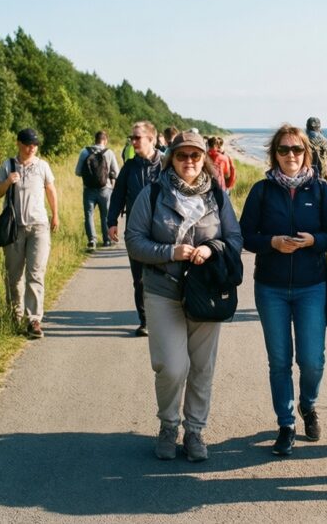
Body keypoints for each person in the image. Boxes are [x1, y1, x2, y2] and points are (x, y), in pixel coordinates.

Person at [125, 131, 242, 462]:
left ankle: (194, 431)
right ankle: (168, 425)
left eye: (195, 155)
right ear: (170, 158)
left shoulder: (217, 198)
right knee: (173, 367)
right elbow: (134, 241)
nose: (189, 161)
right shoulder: (152, 194)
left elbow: (234, 238)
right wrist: (170, 252)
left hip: (206, 292)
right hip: (164, 290)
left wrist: (210, 248)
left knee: (202, 366)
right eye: (182, 156)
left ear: (204, 158)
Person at [240, 124, 327, 456]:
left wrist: (314, 241)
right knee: (280, 360)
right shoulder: (262, 191)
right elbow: (245, 235)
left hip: (312, 286)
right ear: (275, 154)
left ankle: (308, 404)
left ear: (306, 153)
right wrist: (271, 242)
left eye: (296, 149)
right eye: (283, 150)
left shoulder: (321, 191)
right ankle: (285, 424)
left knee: (312, 360)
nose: (290, 156)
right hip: (270, 288)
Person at [0, 128, 59, 339]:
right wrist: (7, 181)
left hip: (38, 226)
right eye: (27, 144)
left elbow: (50, 190)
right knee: (14, 276)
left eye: (35, 145)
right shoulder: (8, 165)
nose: (31, 148)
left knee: (35, 273)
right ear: (18, 143)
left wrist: (55, 215)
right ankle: (16, 315)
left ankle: (34, 320)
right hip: (15, 229)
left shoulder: (42, 166)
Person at [108, 121, 164, 337]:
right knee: (139, 279)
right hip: (135, 231)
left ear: (151, 139)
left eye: (137, 138)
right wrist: (111, 221)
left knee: (165, 276)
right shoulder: (129, 167)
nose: (133, 141)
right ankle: (146, 321)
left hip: (163, 231)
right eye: (131, 138)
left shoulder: (167, 164)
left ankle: (167, 318)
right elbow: (118, 195)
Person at [74, 130, 119, 251]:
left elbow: (77, 172)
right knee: (105, 215)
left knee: (89, 215)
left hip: (88, 190)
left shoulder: (84, 152)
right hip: (105, 190)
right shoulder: (109, 152)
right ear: (105, 140)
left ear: (95, 139)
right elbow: (116, 172)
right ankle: (106, 240)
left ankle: (92, 241)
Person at [306, 116, 327, 180]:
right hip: (325, 179)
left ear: (307, 128)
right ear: (319, 128)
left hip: (310, 178)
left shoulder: (304, 142)